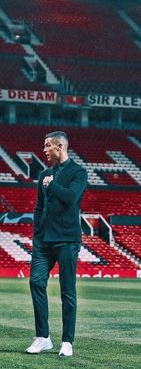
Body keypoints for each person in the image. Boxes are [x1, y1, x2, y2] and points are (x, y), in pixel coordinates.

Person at [26, 130, 88, 357]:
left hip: (67, 240)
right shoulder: (44, 174)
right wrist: (37, 233)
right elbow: (39, 207)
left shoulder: (78, 173)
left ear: (59, 147)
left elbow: (71, 198)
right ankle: (43, 337)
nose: (43, 150)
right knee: (35, 282)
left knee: (67, 291)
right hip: (44, 241)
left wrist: (52, 185)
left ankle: (67, 341)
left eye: (47, 146)